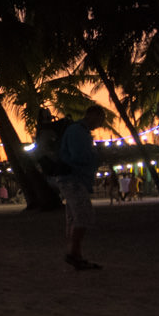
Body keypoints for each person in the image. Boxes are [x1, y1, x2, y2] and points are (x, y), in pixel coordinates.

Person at [58, 104, 107, 270]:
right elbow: (79, 156)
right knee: (83, 216)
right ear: (92, 115)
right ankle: (73, 254)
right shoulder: (77, 132)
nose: (100, 124)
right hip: (74, 179)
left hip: (72, 179)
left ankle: (75, 253)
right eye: (100, 120)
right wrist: (96, 155)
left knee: (75, 217)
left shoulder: (78, 131)